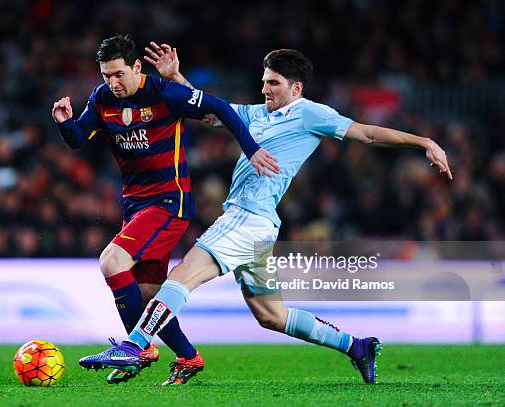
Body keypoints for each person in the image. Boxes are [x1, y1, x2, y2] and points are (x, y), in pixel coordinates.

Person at [80, 43, 452, 385]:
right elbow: (211, 115)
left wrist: (424, 142)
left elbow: (367, 134)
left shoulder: (310, 113)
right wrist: (177, 78)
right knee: (271, 316)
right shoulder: (258, 114)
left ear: (296, 89)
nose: (265, 89)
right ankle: (356, 346)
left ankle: (136, 345)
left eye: (273, 83)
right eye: (263, 82)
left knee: (181, 277)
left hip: (246, 218)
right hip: (258, 226)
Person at [52, 34, 278, 385]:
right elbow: (80, 138)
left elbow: (219, 108)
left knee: (111, 261)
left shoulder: (163, 93)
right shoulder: (101, 99)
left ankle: (137, 350)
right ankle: (189, 357)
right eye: (106, 76)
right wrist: (65, 122)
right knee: (147, 294)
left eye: (118, 74)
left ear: (137, 67)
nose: (113, 83)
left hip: (168, 202)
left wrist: (251, 149)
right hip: (135, 205)